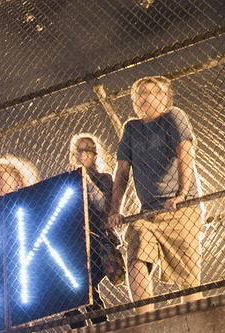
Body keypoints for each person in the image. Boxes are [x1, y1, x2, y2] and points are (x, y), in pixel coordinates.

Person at [107, 75, 203, 308]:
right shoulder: (131, 128)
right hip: (148, 211)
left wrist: (181, 194)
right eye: (141, 94)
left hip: (181, 206)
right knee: (137, 248)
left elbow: (185, 152)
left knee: (188, 271)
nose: (146, 98)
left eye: (152, 92)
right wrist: (114, 210)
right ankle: (145, 318)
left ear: (163, 97)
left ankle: (195, 315)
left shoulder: (173, 116)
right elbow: (121, 171)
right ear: (134, 100)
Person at [70, 133, 126, 290]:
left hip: (99, 238)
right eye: (78, 150)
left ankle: (94, 312)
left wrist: (86, 179)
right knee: (84, 287)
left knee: (86, 284)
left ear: (94, 155)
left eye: (86, 150)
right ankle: (92, 314)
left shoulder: (104, 178)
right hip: (78, 241)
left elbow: (102, 205)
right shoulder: (70, 181)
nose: (81, 154)